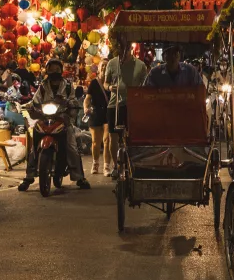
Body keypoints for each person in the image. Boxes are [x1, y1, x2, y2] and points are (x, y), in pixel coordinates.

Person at [18, 59, 90, 191]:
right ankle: (28, 177)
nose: (54, 72)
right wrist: (28, 106)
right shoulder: (43, 86)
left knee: (71, 147)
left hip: (63, 118)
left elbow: (73, 99)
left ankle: (79, 177)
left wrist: (70, 104)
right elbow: (35, 100)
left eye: (57, 69)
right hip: (45, 118)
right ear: (47, 71)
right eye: (51, 69)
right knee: (33, 148)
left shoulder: (67, 86)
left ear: (61, 71)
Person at [104, 43, 149, 177]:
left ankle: (133, 164)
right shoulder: (112, 63)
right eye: (121, 49)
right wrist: (109, 87)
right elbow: (105, 82)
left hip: (133, 104)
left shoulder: (140, 65)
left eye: (126, 49)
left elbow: (145, 84)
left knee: (133, 136)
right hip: (115, 104)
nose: (123, 52)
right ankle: (115, 165)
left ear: (130, 49)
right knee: (113, 136)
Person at [83, 63, 112, 176]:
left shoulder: (112, 82)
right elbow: (87, 98)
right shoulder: (94, 83)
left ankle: (106, 166)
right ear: (98, 69)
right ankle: (95, 163)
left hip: (108, 113)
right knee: (95, 142)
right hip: (95, 113)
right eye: (102, 65)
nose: (104, 67)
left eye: (107, 65)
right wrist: (86, 107)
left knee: (107, 140)